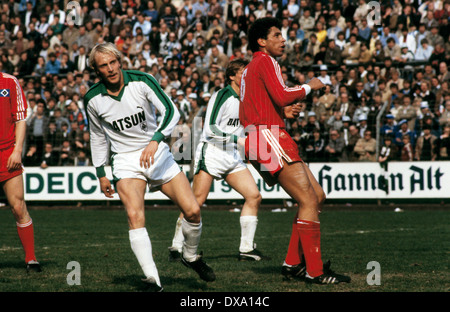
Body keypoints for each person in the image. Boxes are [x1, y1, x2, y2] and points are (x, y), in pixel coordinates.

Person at [85, 43, 215, 292]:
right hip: (124, 160)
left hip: (157, 153)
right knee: (135, 216)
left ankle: (190, 256)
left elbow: (171, 111)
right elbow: (97, 137)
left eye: (113, 62)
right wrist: (101, 172)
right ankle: (153, 279)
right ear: (96, 69)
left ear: (120, 61)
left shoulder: (142, 80)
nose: (111, 69)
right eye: (104, 65)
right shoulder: (92, 99)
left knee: (193, 211)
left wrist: (156, 140)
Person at [240, 17, 350, 284]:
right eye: (277, 35)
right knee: (309, 200)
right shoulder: (265, 61)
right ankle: (315, 271)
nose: (283, 39)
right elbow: (281, 95)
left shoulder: (252, 67)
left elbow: (266, 103)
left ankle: (292, 264)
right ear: (261, 41)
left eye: (282, 35)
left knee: (317, 196)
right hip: (267, 136)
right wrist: (309, 87)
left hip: (262, 136)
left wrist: (283, 111)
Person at [168, 59, 264, 262]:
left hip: (232, 154)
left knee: (254, 196)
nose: (247, 76)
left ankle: (246, 249)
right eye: (243, 72)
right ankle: (176, 247)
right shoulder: (222, 95)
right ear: (232, 76)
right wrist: (240, 140)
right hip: (212, 152)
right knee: (196, 202)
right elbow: (210, 129)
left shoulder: (248, 97)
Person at [0, 72, 41, 273]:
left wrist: (17, 150)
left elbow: (21, 119)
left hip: (7, 154)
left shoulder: (9, 82)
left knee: (18, 206)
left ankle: (31, 259)